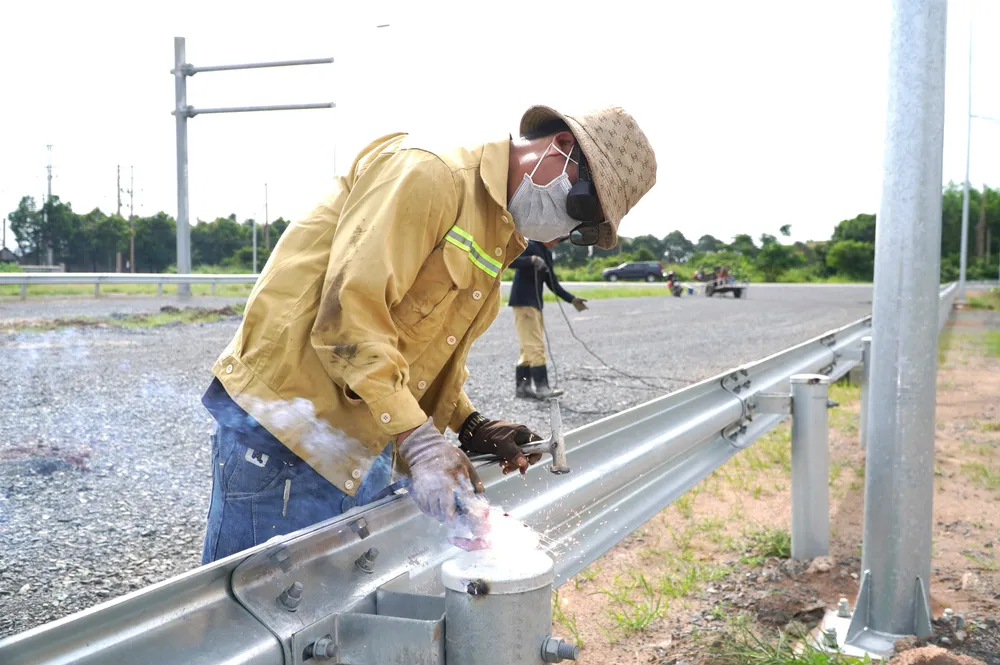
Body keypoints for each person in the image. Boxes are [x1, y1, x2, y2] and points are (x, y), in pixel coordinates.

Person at [199, 104, 657, 563]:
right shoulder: (431, 173)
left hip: (369, 430)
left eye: (582, 230)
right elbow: (349, 314)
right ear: (559, 150)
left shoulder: (495, 228)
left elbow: (416, 342)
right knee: (251, 620)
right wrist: (419, 440)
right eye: (580, 209)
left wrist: (467, 422)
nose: (562, 235)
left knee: (325, 616)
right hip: (287, 431)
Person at [508, 238, 587, 399]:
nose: (557, 241)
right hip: (524, 302)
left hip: (535, 304)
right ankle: (542, 388)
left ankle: (523, 388)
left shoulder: (547, 254)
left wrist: (572, 299)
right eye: (556, 237)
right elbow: (509, 261)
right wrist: (530, 259)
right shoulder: (528, 245)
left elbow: (552, 283)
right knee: (536, 346)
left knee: (527, 347)